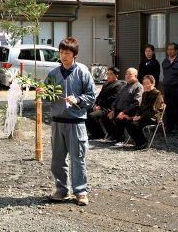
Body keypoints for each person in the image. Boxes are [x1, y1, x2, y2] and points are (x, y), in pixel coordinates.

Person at [36, 37, 96, 206]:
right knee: (58, 159)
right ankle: (62, 190)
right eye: (61, 52)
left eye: (67, 53)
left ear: (75, 55)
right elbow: (49, 95)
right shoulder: (53, 73)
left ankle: (81, 192)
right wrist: (42, 92)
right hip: (57, 121)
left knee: (78, 158)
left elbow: (92, 96)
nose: (63, 56)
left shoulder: (83, 72)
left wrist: (77, 99)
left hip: (75, 122)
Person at [100, 68, 143, 147]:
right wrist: (113, 110)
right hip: (119, 110)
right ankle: (113, 134)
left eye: (130, 74)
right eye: (126, 74)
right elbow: (116, 100)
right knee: (105, 117)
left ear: (136, 76)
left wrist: (125, 112)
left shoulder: (138, 87)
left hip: (131, 112)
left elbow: (136, 103)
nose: (127, 76)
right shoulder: (124, 87)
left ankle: (120, 139)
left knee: (119, 118)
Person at [125, 75, 164, 150]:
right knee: (128, 123)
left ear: (153, 83)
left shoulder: (156, 93)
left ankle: (143, 142)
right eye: (144, 84)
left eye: (148, 83)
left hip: (152, 117)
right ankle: (137, 141)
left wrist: (140, 117)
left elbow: (153, 110)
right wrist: (136, 115)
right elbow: (140, 107)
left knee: (134, 124)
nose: (145, 85)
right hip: (143, 115)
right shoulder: (144, 93)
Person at [85, 67, 123, 139]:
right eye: (108, 74)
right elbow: (100, 96)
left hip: (108, 107)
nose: (108, 76)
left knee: (92, 116)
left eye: (111, 74)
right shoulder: (106, 84)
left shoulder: (118, 85)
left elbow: (112, 98)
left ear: (116, 76)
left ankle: (99, 133)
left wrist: (100, 106)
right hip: (99, 106)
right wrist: (96, 104)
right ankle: (93, 132)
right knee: (85, 113)